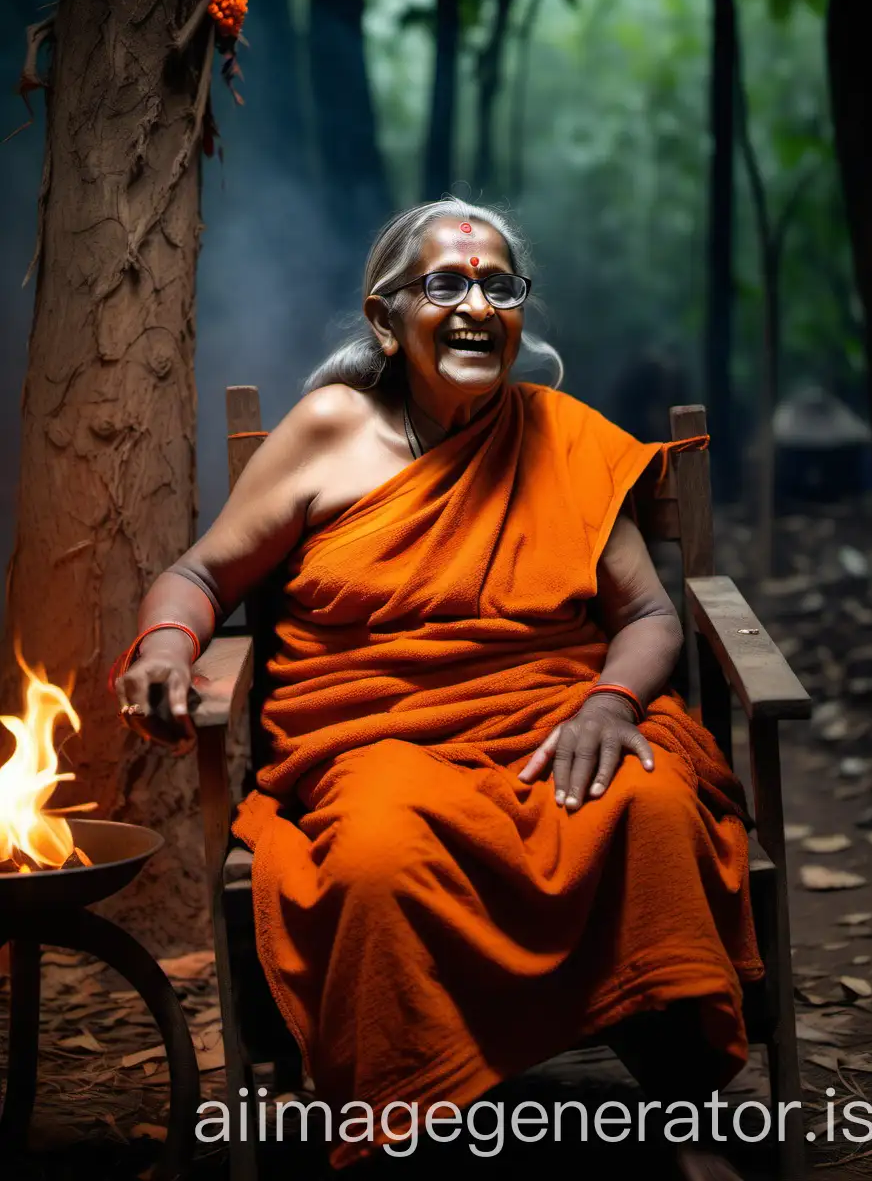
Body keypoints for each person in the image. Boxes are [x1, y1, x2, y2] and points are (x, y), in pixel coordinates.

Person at [113, 200, 762, 1180]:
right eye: (446, 283)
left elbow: (648, 617)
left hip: (553, 721)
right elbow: (201, 576)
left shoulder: (556, 435)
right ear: (385, 319)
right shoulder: (333, 429)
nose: (475, 304)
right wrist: (165, 649)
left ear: (518, 313)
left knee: (649, 802)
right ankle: (414, 1126)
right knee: (375, 854)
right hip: (377, 745)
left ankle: (678, 1114)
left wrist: (607, 704)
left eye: (498, 285)